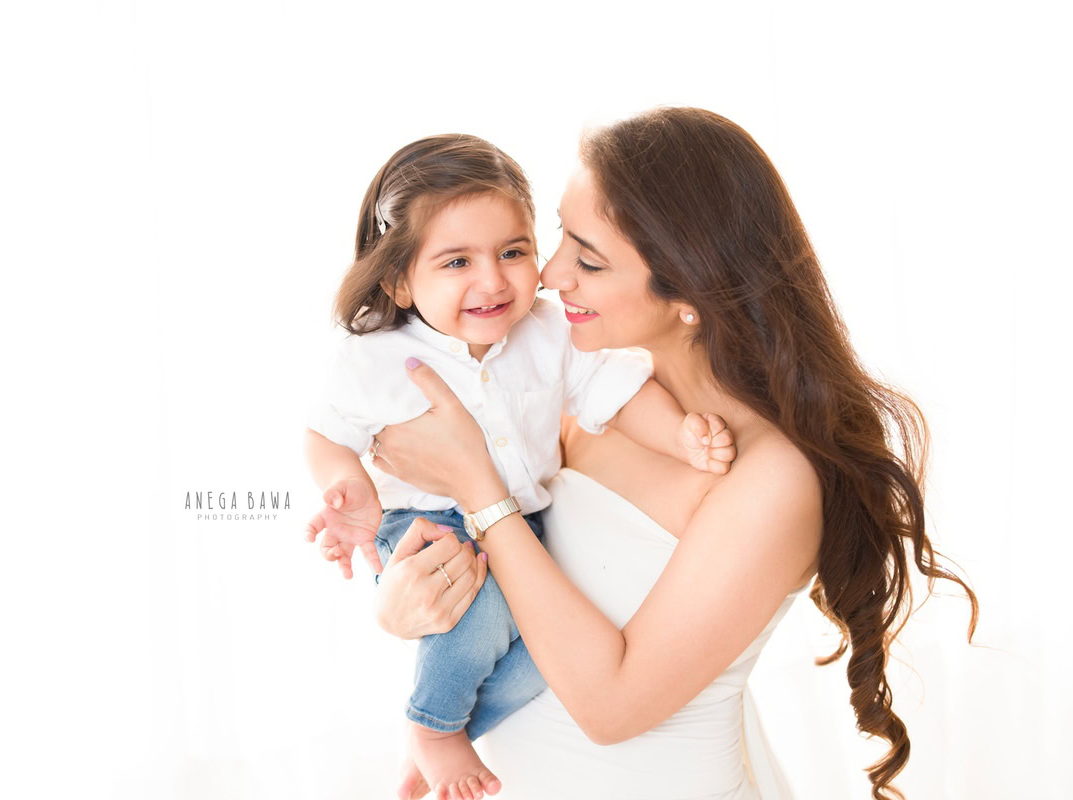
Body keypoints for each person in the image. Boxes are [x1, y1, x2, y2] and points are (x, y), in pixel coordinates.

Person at [363, 108, 979, 800]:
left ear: (688, 291)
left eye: (588, 259)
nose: (548, 275)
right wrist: (403, 604)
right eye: (561, 235)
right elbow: (508, 583)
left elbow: (612, 706)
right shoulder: (577, 400)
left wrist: (482, 490)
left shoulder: (772, 476)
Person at [302, 134, 737, 798]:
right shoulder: (377, 357)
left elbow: (614, 393)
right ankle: (434, 727)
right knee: (469, 621)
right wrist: (349, 493)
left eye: (513, 251)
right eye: (456, 262)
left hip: (516, 525)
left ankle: (452, 725)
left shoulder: (548, 332)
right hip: (426, 523)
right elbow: (327, 436)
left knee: (542, 659)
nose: (493, 280)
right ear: (397, 280)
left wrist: (682, 434)